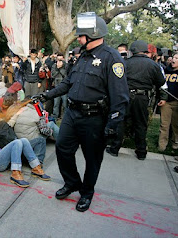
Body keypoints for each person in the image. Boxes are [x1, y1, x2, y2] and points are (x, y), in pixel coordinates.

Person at [37, 13, 129, 212]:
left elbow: (120, 97)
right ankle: (72, 183)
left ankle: (86, 193)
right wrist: (46, 96)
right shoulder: (83, 57)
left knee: (92, 159)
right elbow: (68, 83)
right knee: (62, 148)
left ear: (94, 35)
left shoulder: (111, 58)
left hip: (95, 118)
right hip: (72, 114)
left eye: (81, 36)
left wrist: (113, 125)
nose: (78, 39)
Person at [106, 40, 165, 160]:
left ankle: (115, 148)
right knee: (140, 124)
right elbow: (161, 82)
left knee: (121, 121)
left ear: (132, 51)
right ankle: (141, 152)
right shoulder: (153, 65)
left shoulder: (125, 63)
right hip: (142, 97)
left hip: (126, 95)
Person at [157, 53, 178, 151]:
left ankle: (175, 142)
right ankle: (162, 145)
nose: (172, 60)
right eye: (173, 57)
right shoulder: (166, 70)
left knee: (176, 125)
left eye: (176, 58)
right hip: (166, 102)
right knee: (164, 124)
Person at [51, 53, 68, 119]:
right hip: (56, 86)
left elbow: (66, 75)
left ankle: (65, 116)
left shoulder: (66, 66)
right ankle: (55, 116)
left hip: (64, 87)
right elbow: (52, 75)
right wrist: (57, 68)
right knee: (56, 103)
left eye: (61, 60)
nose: (59, 61)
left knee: (65, 103)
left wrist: (60, 68)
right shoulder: (54, 66)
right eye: (58, 59)